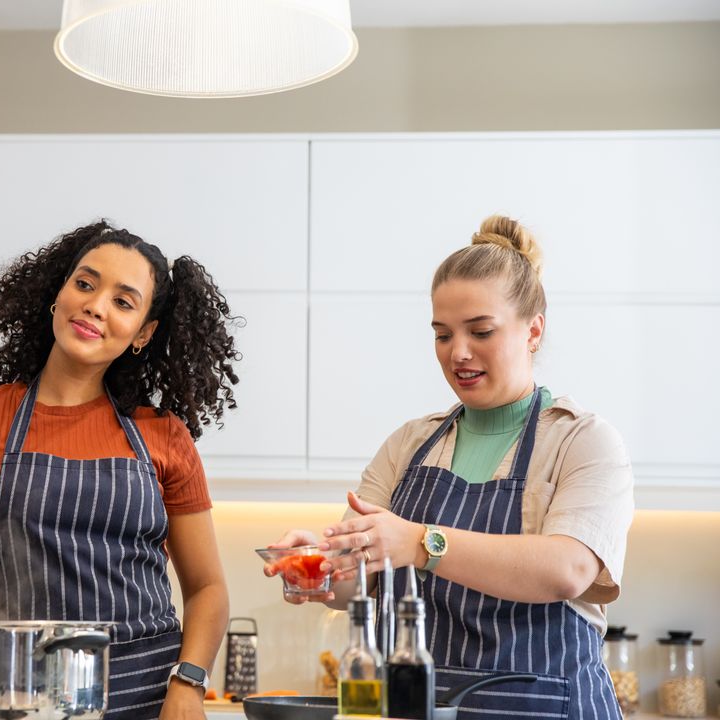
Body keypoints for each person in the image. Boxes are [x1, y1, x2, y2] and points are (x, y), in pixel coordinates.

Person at [265, 216, 632, 719]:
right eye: (442, 335)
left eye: (480, 331)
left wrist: (420, 542)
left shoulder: (582, 440)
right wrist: (319, 567)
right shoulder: (409, 445)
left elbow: (567, 570)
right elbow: (359, 576)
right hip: (421, 707)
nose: (458, 353)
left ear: (534, 330)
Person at [0, 221, 238, 720]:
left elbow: (207, 588)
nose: (95, 305)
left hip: (152, 701)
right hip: (24, 701)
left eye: (123, 301)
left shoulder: (164, 436)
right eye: (85, 284)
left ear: (144, 333)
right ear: (59, 293)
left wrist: (189, 685)